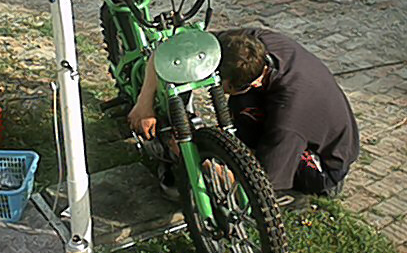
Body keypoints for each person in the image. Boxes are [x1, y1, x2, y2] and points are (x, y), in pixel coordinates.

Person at [128, 27, 360, 200]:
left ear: (253, 83)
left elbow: (260, 186)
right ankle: (247, 149)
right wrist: (144, 103)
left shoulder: (288, 119)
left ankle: (265, 162)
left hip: (324, 166)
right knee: (243, 104)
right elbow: (167, 49)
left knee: (246, 178)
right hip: (292, 115)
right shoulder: (247, 43)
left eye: (222, 85)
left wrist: (198, 160)